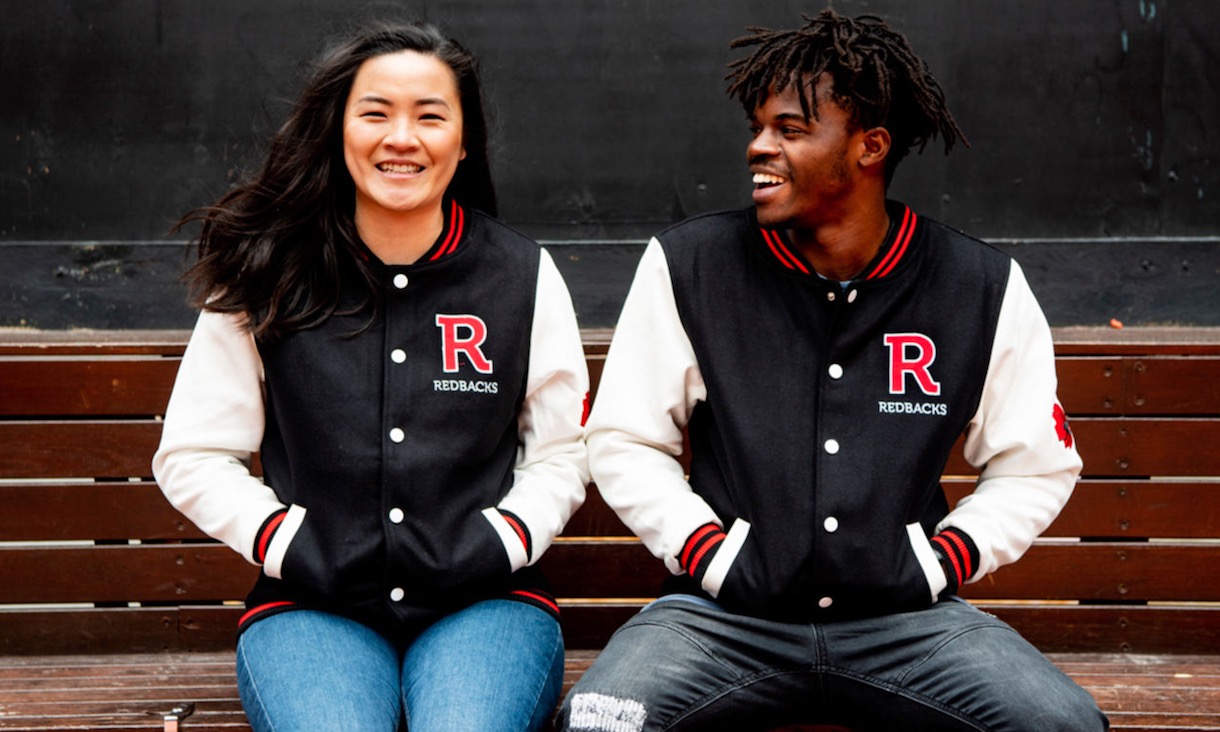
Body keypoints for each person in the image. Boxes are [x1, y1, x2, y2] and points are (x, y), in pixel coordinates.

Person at [559, 9, 1107, 732]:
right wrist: (711, 553)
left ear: (869, 147)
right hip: (723, 620)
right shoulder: (692, 264)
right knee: (599, 721)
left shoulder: (978, 284)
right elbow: (624, 440)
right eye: (758, 128)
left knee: (1061, 726)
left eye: (789, 130)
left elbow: (1035, 466)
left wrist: (940, 561)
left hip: (905, 624)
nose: (759, 147)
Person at [153, 21, 590, 732]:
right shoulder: (267, 273)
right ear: (338, 128)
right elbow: (193, 453)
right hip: (313, 610)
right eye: (376, 113)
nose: (401, 138)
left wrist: (503, 538)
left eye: (430, 116)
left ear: (464, 138)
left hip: (484, 605)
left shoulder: (520, 274)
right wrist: (283, 541)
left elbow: (564, 450)